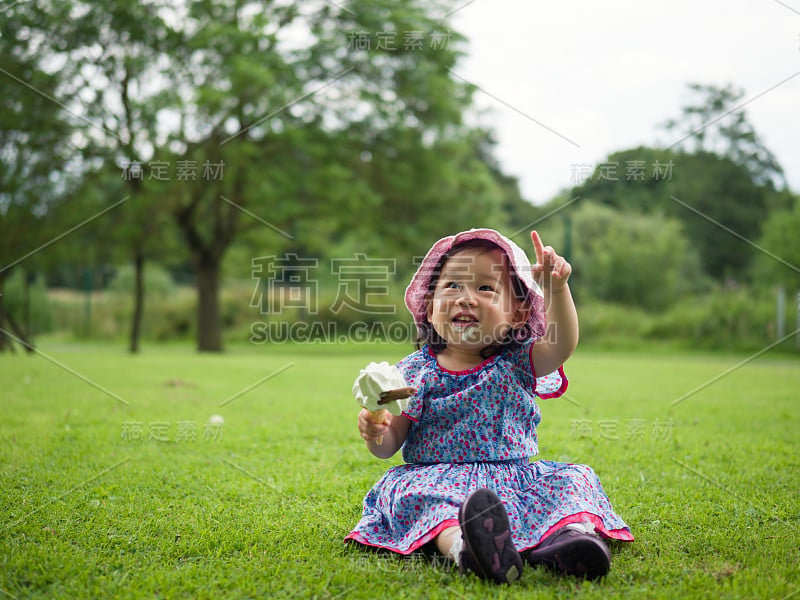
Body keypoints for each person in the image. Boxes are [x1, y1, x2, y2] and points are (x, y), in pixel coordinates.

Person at [345, 228, 633, 584]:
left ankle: (569, 539)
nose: (466, 298)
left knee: (572, 480)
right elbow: (389, 445)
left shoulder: (517, 361)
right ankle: (466, 549)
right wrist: (376, 431)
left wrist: (556, 288)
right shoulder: (412, 373)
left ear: (517, 314)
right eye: (452, 286)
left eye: (485, 288)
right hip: (436, 479)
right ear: (431, 305)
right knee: (414, 494)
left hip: (514, 479)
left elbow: (562, 346)